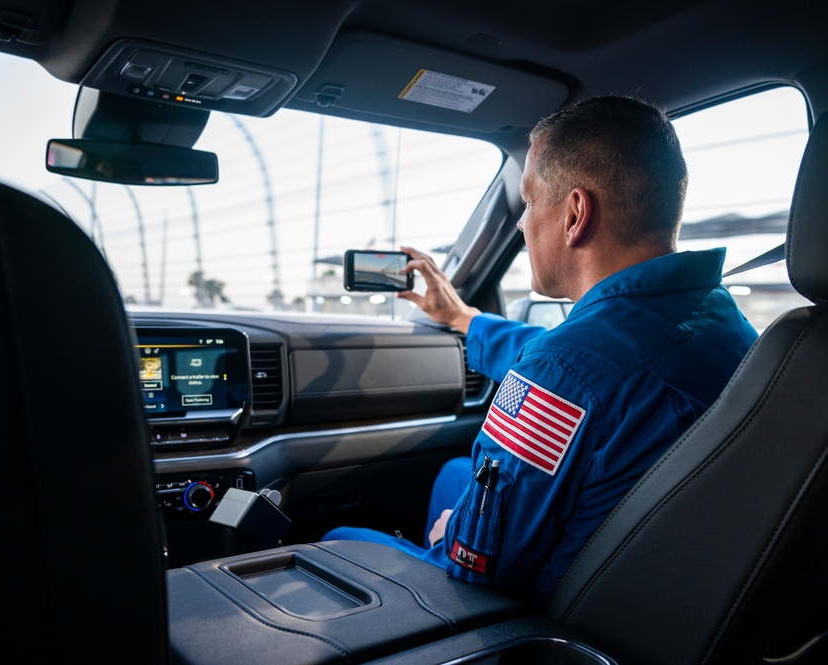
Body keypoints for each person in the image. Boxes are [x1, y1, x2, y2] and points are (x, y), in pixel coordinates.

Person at [323, 95, 759, 604]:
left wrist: (451, 535)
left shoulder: (562, 371)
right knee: (453, 474)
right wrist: (464, 319)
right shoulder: (715, 319)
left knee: (337, 542)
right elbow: (593, 370)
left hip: (554, 621)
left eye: (529, 201)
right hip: (672, 586)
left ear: (575, 214)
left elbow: (477, 566)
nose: (521, 223)